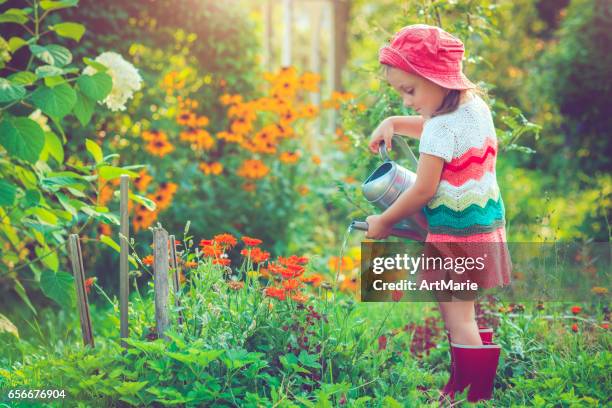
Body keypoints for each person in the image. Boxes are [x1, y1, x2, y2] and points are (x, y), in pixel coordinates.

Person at [365, 24, 512, 404]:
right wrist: (394, 124)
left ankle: (474, 395)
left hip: (455, 240)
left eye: (410, 91)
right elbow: (437, 133)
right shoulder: (474, 109)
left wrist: (384, 221)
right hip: (482, 230)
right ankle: (461, 384)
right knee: (464, 317)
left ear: (436, 78)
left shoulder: (441, 127)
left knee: (459, 321)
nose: (406, 101)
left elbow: (423, 189)